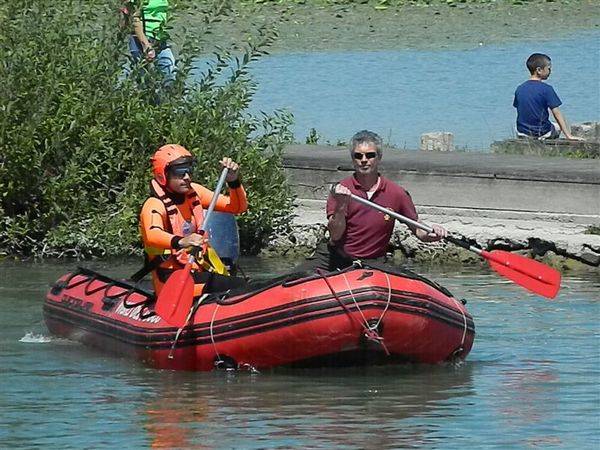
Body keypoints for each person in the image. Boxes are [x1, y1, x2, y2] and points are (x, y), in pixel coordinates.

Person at [295, 130, 447, 272]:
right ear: (353, 159)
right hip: (336, 257)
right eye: (358, 156)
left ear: (379, 157)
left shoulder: (397, 193)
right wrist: (341, 206)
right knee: (295, 279)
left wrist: (433, 233)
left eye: (370, 155)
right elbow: (335, 235)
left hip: (373, 262)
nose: (364, 160)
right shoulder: (340, 190)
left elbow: (419, 231)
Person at [140, 144, 248, 297]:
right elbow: (152, 235)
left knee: (242, 285)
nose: (186, 177)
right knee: (240, 286)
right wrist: (182, 241)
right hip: (171, 280)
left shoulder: (195, 193)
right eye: (179, 172)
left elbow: (236, 207)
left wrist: (233, 181)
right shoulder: (154, 205)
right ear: (162, 175)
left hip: (197, 271)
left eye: (189, 170)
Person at [513, 53, 582, 141]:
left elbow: (520, 108)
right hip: (541, 132)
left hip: (522, 131)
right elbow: (557, 113)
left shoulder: (520, 89)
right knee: (557, 127)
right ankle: (549, 146)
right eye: (548, 69)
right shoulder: (547, 89)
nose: (550, 72)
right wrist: (568, 135)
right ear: (539, 70)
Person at [121, 0, 176, 89]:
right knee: (144, 82)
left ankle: (165, 100)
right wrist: (146, 45)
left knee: (169, 75)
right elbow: (135, 20)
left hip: (159, 39)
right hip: (142, 40)